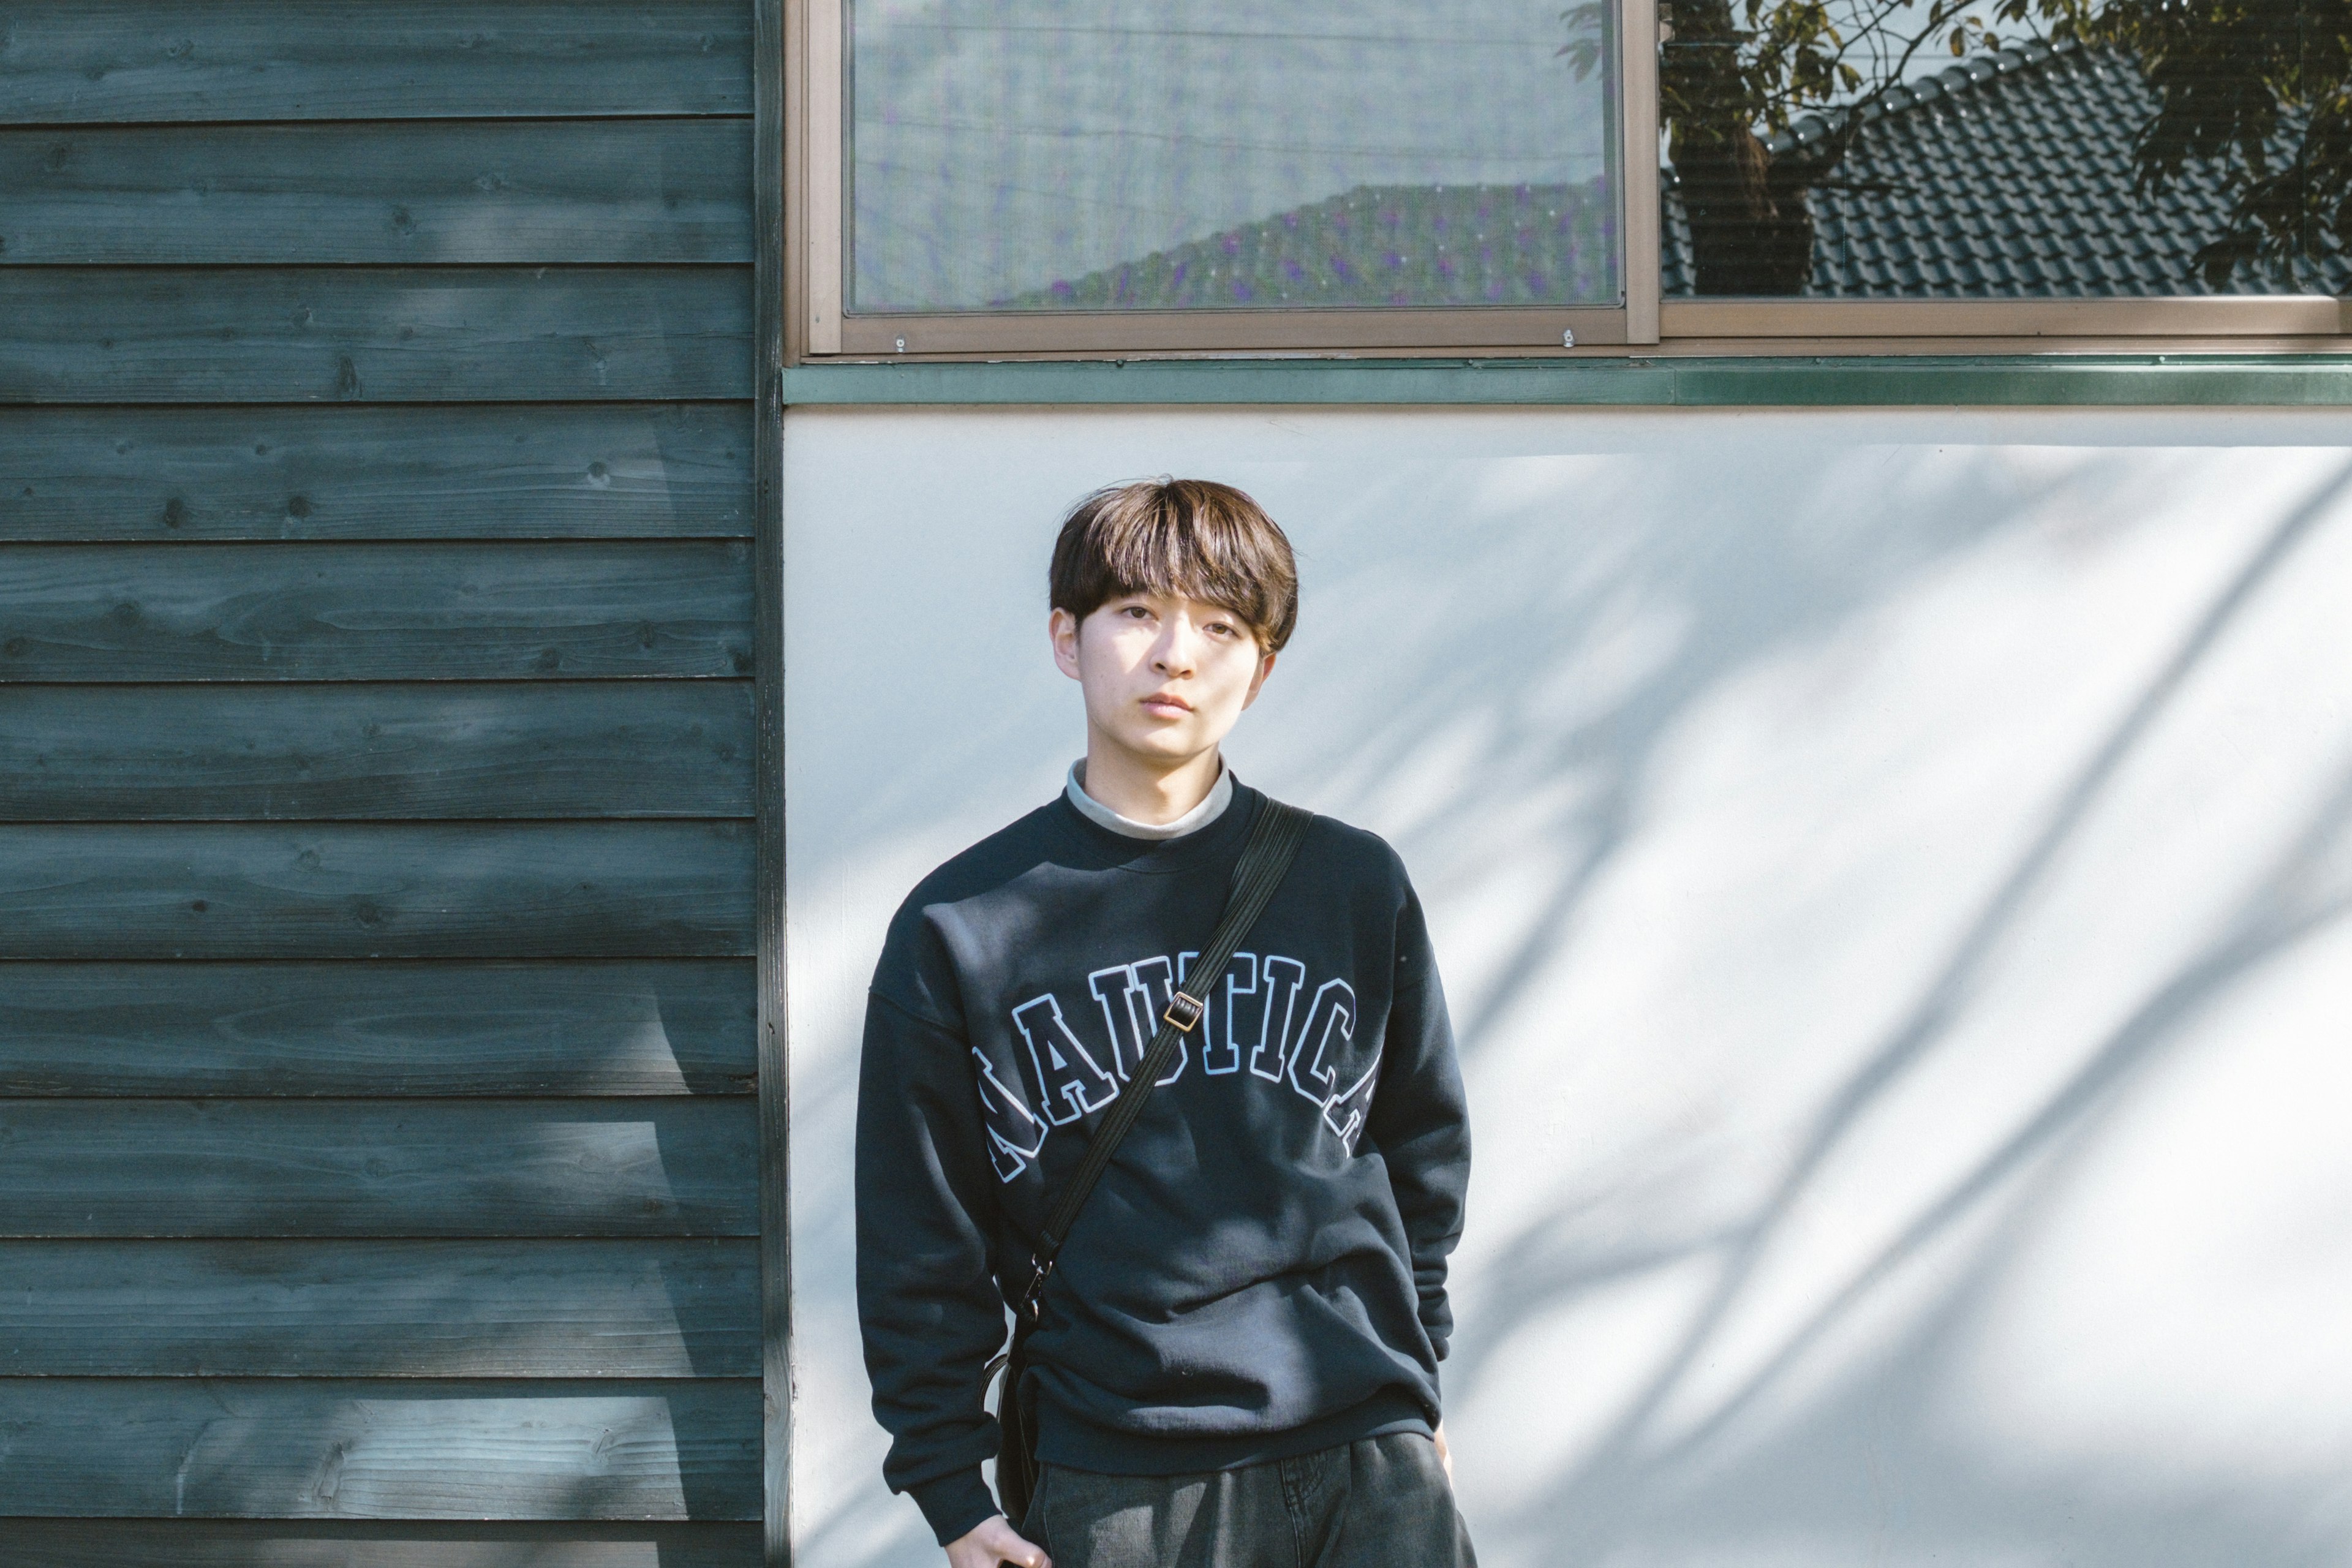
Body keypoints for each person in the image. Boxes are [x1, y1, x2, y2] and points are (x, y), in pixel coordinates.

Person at [855, 478, 1475, 1568]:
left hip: (1364, 1458)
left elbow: (1420, 1161)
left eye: (1222, 626)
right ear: (1067, 637)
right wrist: (951, 1489)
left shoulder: (1352, 884)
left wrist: (1416, 1398)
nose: (1176, 655)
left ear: (1262, 666)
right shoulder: (963, 925)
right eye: (1138, 612)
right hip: (1119, 1472)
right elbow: (919, 1232)